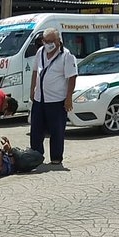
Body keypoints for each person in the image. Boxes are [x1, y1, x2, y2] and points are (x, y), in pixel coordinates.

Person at [29, 28, 77, 165]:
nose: (49, 44)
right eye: (46, 41)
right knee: (36, 130)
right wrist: (32, 90)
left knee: (57, 131)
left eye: (52, 41)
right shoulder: (40, 52)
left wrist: (69, 98)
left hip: (56, 100)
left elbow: (72, 77)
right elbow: (34, 72)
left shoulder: (66, 56)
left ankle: (56, 158)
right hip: (39, 99)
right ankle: (36, 156)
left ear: (58, 40)